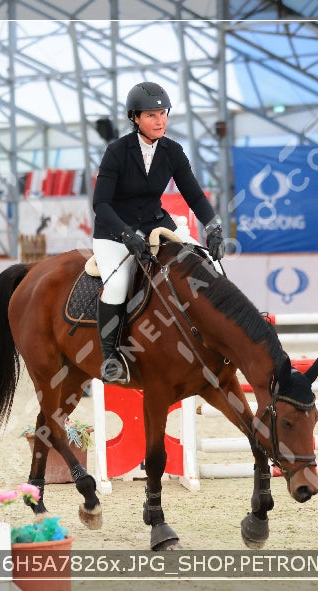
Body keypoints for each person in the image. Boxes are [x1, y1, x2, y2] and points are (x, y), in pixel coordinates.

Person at [92, 81, 224, 384]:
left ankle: (220, 334)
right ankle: (110, 357)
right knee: (116, 285)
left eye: (163, 113)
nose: (160, 120)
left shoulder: (173, 151)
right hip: (114, 231)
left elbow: (194, 195)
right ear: (135, 118)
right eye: (151, 115)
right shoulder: (117, 152)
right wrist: (126, 235)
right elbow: (100, 203)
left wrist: (213, 225)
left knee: (208, 262)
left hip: (155, 224)